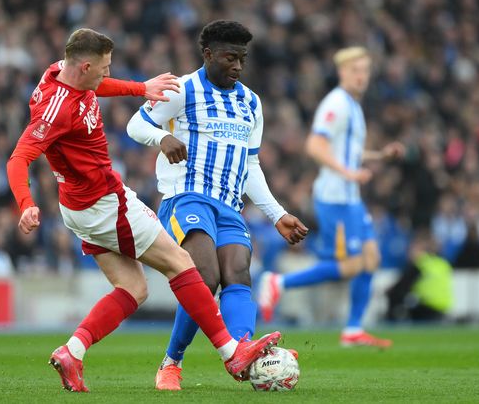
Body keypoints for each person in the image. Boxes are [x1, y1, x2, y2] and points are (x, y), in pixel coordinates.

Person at [6, 28, 283, 393]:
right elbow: (18, 158)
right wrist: (26, 204)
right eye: (104, 67)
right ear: (85, 66)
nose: (107, 73)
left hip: (79, 207)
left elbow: (96, 86)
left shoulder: (63, 71)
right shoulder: (56, 109)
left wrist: (140, 88)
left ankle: (73, 352)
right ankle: (231, 353)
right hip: (105, 203)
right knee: (182, 264)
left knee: (133, 288)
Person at [126, 20, 308, 390]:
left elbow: (251, 165)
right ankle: (171, 363)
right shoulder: (182, 89)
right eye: (229, 58)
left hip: (229, 205)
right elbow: (135, 125)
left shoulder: (251, 102)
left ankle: (243, 352)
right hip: (187, 197)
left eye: (242, 59)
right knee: (205, 277)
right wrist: (161, 138)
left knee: (238, 273)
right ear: (208, 55)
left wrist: (277, 214)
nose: (237, 66)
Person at [258, 47, 404, 348]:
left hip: (351, 198)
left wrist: (380, 155)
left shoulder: (353, 105)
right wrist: (348, 173)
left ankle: (353, 329)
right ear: (342, 72)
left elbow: (346, 151)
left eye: (365, 70)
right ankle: (278, 282)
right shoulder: (336, 103)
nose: (361, 76)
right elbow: (315, 145)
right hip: (334, 197)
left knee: (371, 258)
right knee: (351, 266)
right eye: (355, 70)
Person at [386, 230, 453, 322]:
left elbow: (402, 286)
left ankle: (391, 322)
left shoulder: (421, 264)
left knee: (395, 297)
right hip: (443, 306)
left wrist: (389, 290)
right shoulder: (443, 263)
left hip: (427, 306)